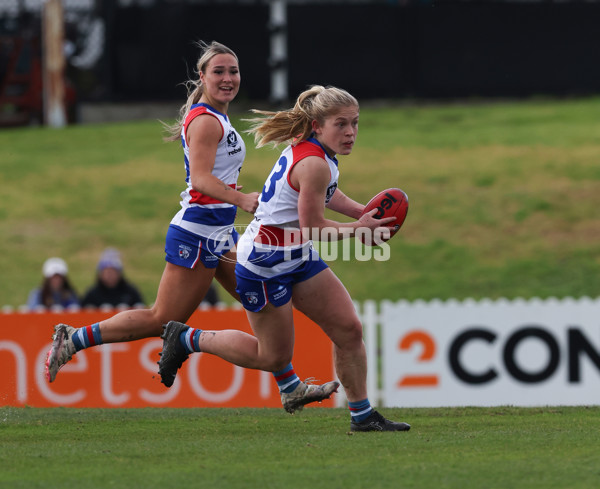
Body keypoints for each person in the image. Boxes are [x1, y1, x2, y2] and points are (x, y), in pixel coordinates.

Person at [44, 41, 338, 414]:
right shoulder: (204, 120)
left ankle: (290, 385)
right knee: (161, 319)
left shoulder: (216, 116)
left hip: (218, 233)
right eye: (219, 72)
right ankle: (74, 338)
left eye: (233, 71)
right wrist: (241, 200)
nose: (228, 78)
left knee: (260, 297)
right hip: (198, 235)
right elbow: (199, 180)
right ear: (202, 77)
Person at [158, 86, 411, 432]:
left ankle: (362, 415)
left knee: (348, 329)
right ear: (318, 125)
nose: (351, 132)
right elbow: (315, 228)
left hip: (295, 255)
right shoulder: (314, 164)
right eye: (342, 124)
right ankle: (187, 339)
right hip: (262, 265)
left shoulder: (318, 153)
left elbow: (327, 196)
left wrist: (364, 214)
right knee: (273, 357)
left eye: (355, 123)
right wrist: (359, 230)